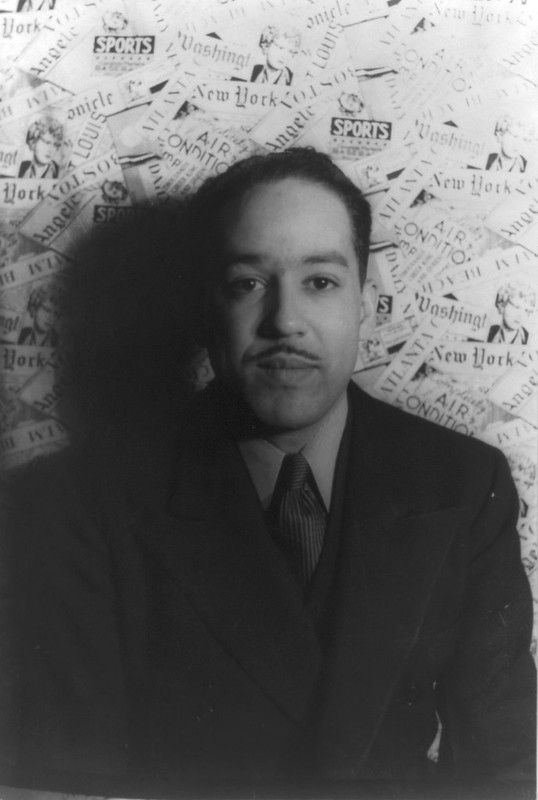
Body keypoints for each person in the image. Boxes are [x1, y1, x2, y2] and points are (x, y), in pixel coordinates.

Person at [3, 150, 535, 798]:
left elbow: (507, 770)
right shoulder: (78, 506)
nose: (285, 322)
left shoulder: (462, 485)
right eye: (247, 283)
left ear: (365, 301)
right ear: (205, 309)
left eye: (320, 282)